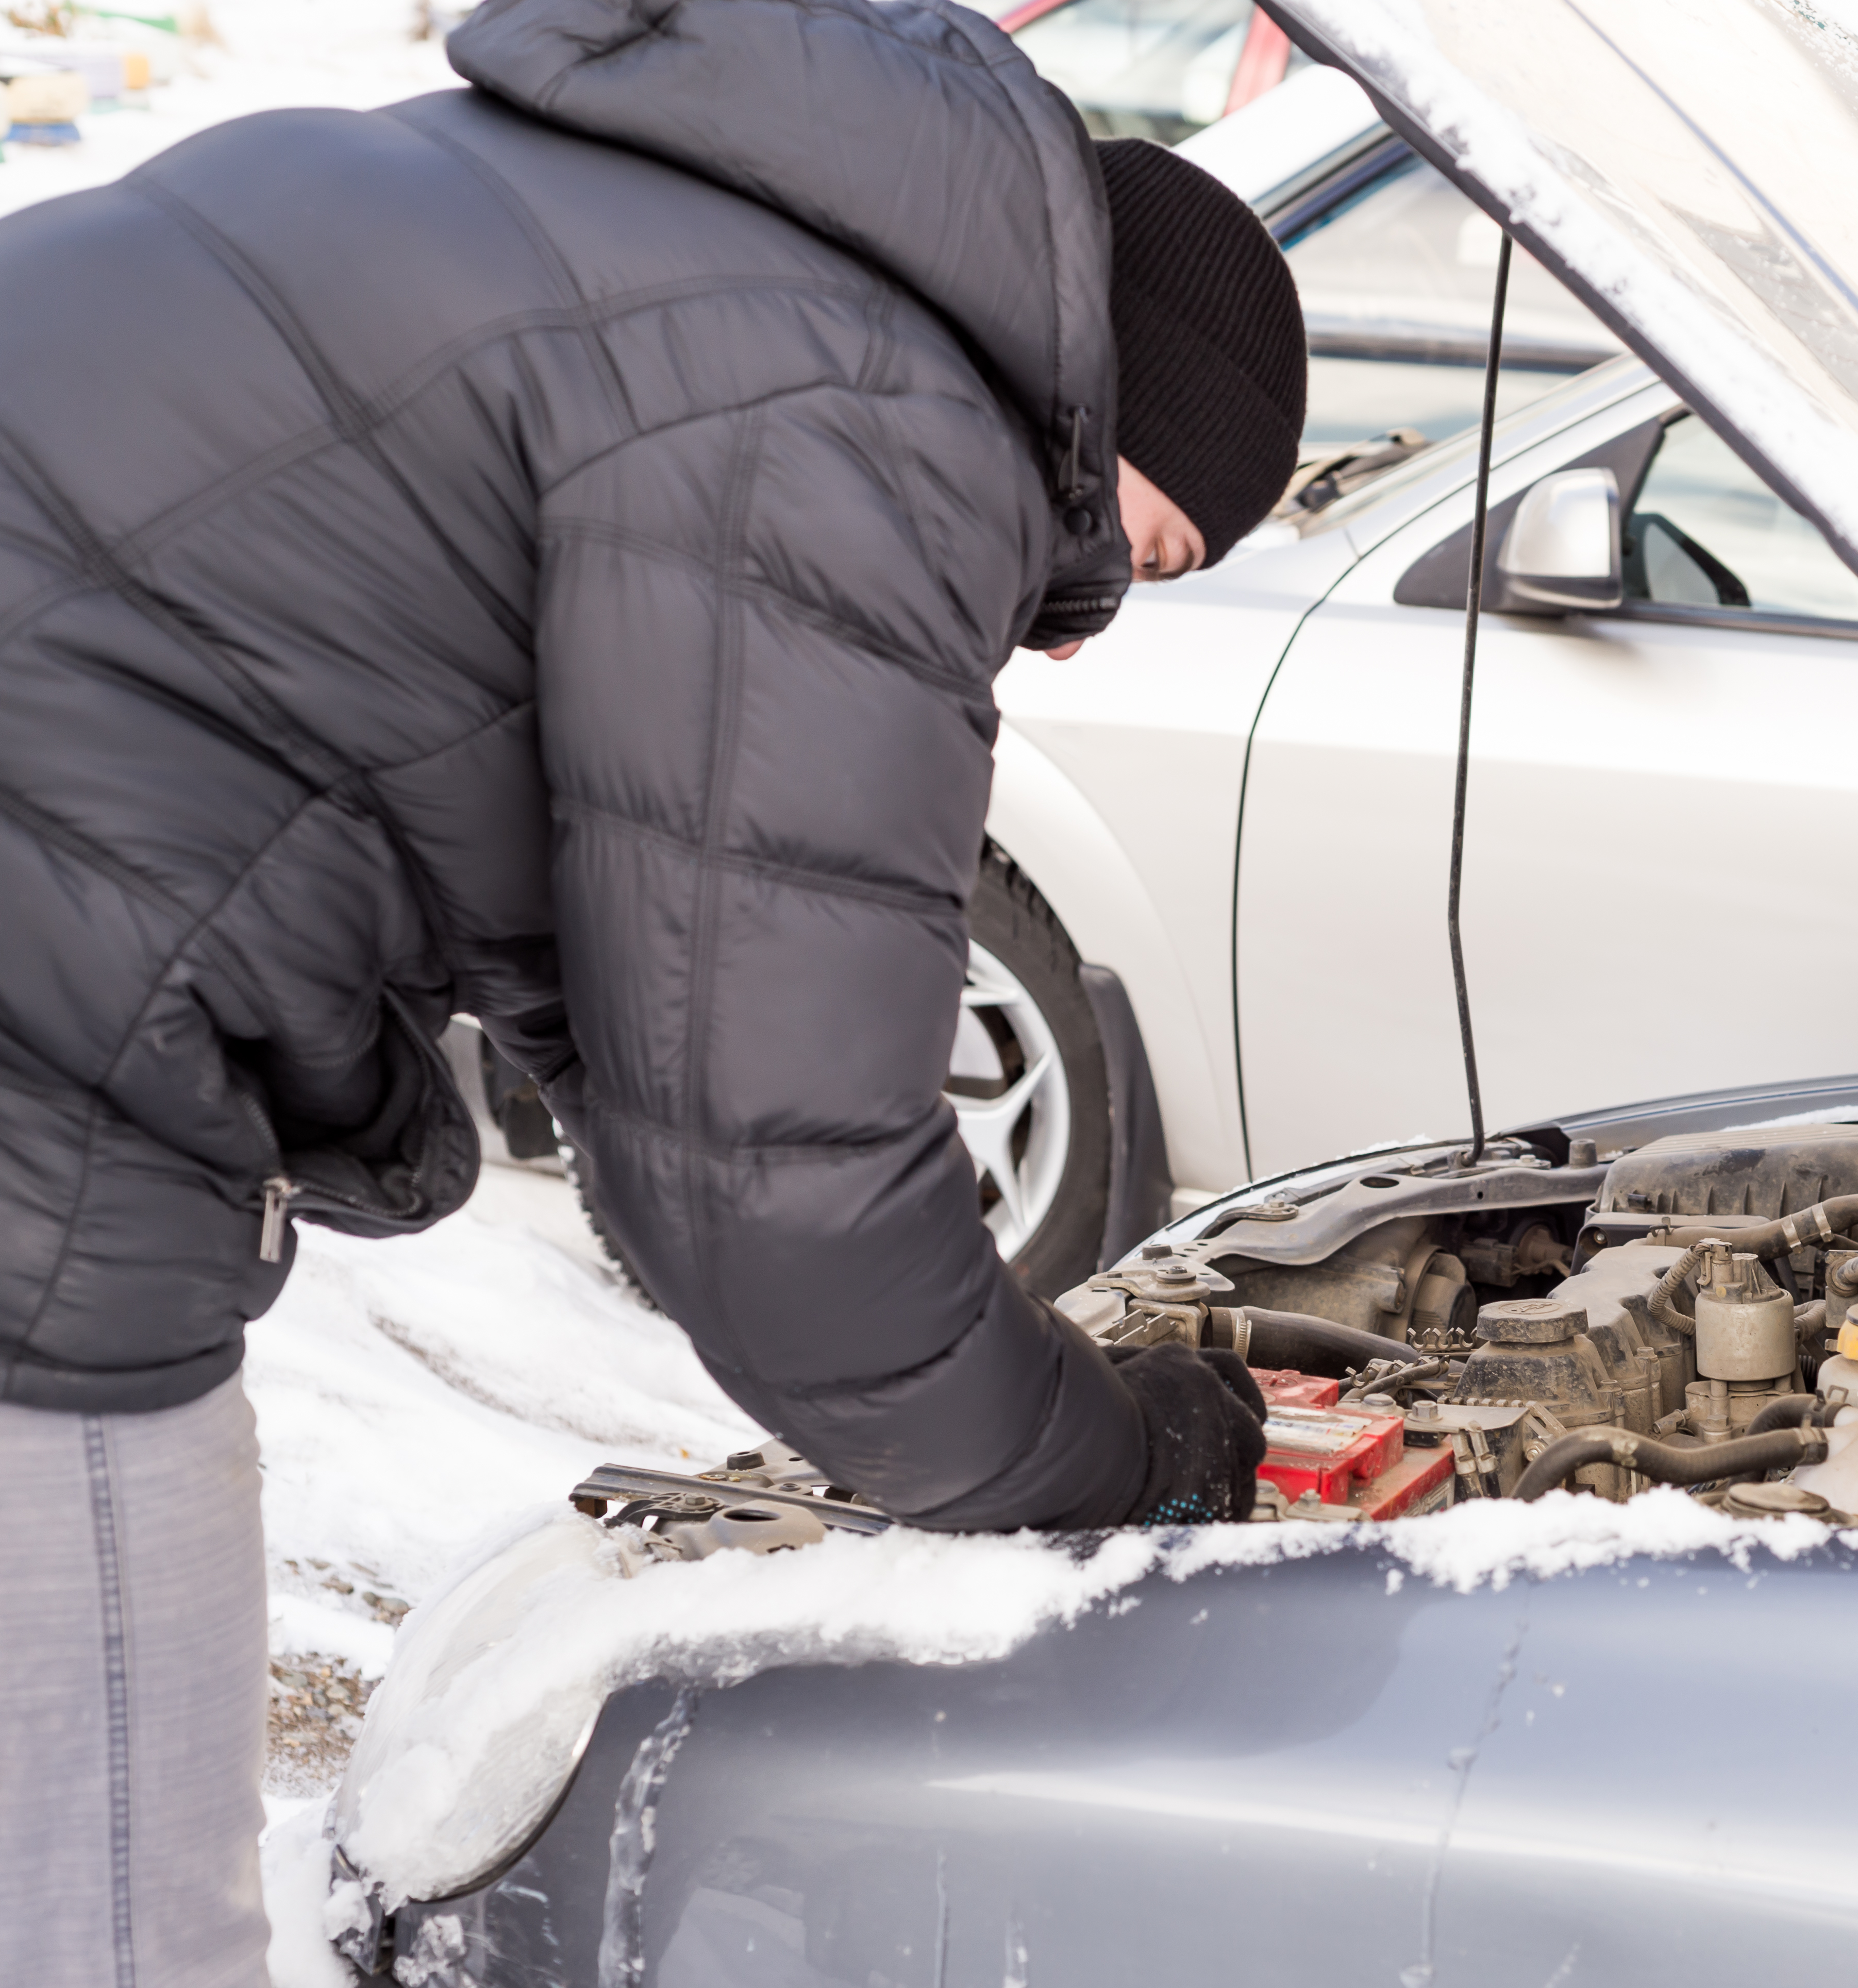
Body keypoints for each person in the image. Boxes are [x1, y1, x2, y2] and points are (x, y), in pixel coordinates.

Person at [0, 0, 1300, 1973]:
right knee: (107, 1904)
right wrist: (1117, 1451)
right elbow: (784, 1177)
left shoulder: (664, 218)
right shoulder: (861, 415)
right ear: (1110, 403)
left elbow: (651, 998)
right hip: (37, 1062)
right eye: (1152, 540)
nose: (1095, 618)